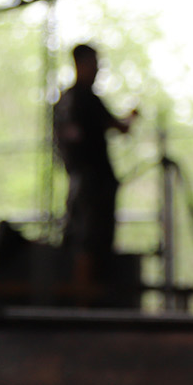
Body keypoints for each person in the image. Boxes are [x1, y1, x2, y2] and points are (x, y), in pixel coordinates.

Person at [53, 43, 137, 294]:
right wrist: (132, 116)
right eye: (94, 63)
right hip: (93, 185)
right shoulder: (84, 99)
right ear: (81, 64)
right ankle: (86, 299)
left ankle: (85, 298)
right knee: (91, 242)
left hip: (80, 183)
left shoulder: (66, 101)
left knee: (83, 240)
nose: (98, 69)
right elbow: (120, 127)